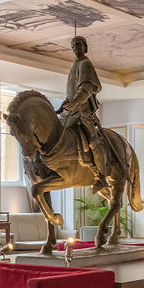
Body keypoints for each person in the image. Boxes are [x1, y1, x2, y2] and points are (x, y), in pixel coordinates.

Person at [56, 36, 111, 193]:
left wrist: (75, 102)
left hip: (82, 111)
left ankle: (102, 176)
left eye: (78, 45)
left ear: (85, 47)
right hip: (70, 110)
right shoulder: (75, 65)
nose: (75, 48)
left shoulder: (85, 63)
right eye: (73, 46)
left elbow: (85, 89)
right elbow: (71, 92)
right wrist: (66, 104)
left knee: (93, 141)